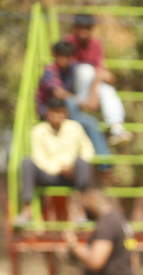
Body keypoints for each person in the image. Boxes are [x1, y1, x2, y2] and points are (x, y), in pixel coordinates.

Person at [14, 96, 95, 228]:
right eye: (54, 112)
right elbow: (39, 158)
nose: (57, 116)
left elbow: (87, 149)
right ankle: (27, 209)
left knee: (83, 163)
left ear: (66, 113)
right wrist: (59, 169)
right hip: (49, 174)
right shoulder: (38, 131)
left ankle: (82, 211)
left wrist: (72, 167)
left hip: (72, 175)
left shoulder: (75, 128)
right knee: (27, 162)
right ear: (48, 113)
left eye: (60, 112)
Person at [35, 41, 113, 167]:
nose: (62, 59)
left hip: (67, 112)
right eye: (60, 55)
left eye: (66, 56)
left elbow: (99, 73)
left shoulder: (72, 68)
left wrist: (98, 81)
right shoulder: (50, 70)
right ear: (55, 55)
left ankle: (104, 166)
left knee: (92, 123)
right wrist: (83, 103)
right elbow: (59, 93)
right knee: (72, 106)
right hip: (49, 112)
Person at [64, 14, 131, 147]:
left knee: (108, 90)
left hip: (92, 85)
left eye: (86, 28)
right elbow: (68, 68)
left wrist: (105, 76)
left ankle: (116, 127)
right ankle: (83, 106)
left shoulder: (95, 44)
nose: (83, 32)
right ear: (75, 28)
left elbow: (101, 68)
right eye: (80, 28)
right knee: (85, 70)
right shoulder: (69, 42)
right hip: (74, 87)